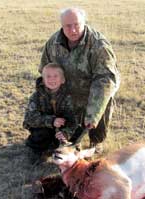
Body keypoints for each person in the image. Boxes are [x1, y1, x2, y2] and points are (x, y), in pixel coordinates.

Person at [39, 8, 120, 153]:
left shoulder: (99, 45)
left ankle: (96, 141)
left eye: (76, 24)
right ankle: (67, 138)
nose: (73, 30)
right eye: (67, 26)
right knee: (60, 141)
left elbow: (105, 81)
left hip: (93, 91)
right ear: (62, 26)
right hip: (68, 92)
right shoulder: (53, 43)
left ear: (84, 23)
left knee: (101, 108)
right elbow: (44, 71)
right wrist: (45, 99)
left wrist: (93, 115)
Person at [23, 63, 75, 162]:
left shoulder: (68, 97)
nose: (52, 79)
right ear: (43, 79)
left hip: (60, 129)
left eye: (56, 76)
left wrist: (66, 133)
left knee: (76, 133)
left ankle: (61, 146)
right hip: (44, 128)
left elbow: (73, 120)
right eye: (48, 76)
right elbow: (29, 118)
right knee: (41, 134)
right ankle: (37, 151)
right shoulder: (36, 96)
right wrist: (51, 121)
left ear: (63, 80)